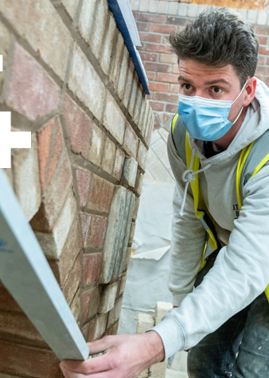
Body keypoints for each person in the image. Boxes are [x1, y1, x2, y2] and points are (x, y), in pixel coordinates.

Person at [60, 7, 269, 378]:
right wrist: (180, 302)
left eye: (216, 89)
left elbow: (249, 263)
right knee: (204, 361)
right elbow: (190, 213)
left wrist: (155, 344)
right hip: (228, 250)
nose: (195, 101)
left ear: (248, 90)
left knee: (254, 369)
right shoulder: (181, 134)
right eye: (187, 86)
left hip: (258, 257)